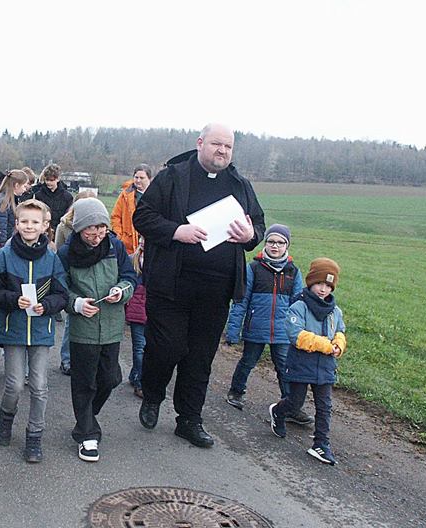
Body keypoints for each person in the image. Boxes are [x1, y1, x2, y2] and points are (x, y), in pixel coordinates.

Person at [133, 123, 265, 448]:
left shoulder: (240, 184)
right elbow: (142, 217)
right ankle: (152, 394)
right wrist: (176, 231)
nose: (222, 151)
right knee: (167, 347)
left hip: (216, 291)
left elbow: (258, 225)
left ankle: (189, 419)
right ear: (200, 143)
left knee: (200, 358)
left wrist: (251, 236)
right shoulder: (173, 177)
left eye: (228, 147)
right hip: (171, 286)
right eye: (217, 144)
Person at [0, 199, 67, 463]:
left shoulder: (52, 259)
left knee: (39, 386)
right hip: (13, 329)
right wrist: (13, 300)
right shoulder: (4, 256)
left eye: (35, 222)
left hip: (41, 331)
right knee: (14, 385)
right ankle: (5, 418)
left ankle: (34, 436)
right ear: (17, 224)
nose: (29, 226)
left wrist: (47, 305)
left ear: (45, 226)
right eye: (24, 221)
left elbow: (61, 294)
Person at [57, 198, 136, 462]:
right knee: (84, 382)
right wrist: (77, 304)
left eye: (102, 228)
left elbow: (129, 277)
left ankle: (87, 415)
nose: (97, 234)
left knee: (110, 378)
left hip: (112, 326)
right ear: (79, 228)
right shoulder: (66, 253)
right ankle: (87, 434)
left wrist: (120, 291)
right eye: (91, 229)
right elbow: (59, 288)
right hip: (83, 329)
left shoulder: (115, 246)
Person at [225, 224, 312, 425]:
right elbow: (241, 301)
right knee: (248, 362)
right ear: (265, 243)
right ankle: (236, 392)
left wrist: (300, 333)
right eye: (271, 241)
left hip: (282, 332)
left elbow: (298, 306)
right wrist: (233, 331)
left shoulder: (293, 272)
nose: (275, 246)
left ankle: (290, 405)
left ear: (287, 246)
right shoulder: (253, 268)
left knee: (285, 367)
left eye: (280, 243)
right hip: (256, 327)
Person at [269, 258, 346, 466]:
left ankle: (321, 444)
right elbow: (296, 335)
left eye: (328, 285)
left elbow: (340, 330)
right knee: (295, 402)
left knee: (324, 406)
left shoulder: (335, 311)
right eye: (319, 283)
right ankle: (278, 411)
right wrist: (326, 345)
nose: (323, 289)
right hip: (301, 363)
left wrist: (338, 344)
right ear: (311, 282)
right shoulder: (299, 306)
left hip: (326, 366)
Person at [54, 190, 97, 376]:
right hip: (72, 274)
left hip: (93, 277)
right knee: (71, 321)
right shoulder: (64, 226)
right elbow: (59, 251)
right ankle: (67, 359)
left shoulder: (99, 229)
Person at [111, 164, 153, 255]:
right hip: (128, 246)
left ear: (149, 179)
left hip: (150, 243)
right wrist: (119, 236)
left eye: (142, 178)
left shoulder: (157, 195)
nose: (138, 180)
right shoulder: (125, 195)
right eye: (136, 177)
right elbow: (116, 217)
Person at [125, 238, 147, 399]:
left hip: (151, 308)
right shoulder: (132, 259)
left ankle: (135, 375)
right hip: (137, 310)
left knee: (145, 348)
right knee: (140, 348)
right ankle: (140, 383)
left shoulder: (160, 258)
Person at [0, 169, 31, 246]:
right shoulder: (1, 202)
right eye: (24, 186)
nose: (25, 190)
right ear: (17, 185)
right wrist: (3, 247)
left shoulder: (11, 200)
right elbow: (1, 228)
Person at [32, 163, 73, 234]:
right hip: (42, 231)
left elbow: (68, 217)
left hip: (59, 231)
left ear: (58, 179)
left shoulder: (67, 197)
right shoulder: (39, 195)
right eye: (46, 180)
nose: (48, 182)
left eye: (51, 180)